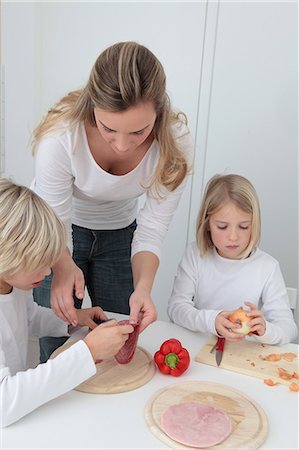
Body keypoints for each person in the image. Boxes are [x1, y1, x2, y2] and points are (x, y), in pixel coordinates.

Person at [31, 41, 194, 362]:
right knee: (56, 339)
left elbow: (152, 229)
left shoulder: (176, 143)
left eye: (138, 132)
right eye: (108, 129)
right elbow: (57, 218)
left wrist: (144, 288)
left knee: (121, 337)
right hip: (53, 234)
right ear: (92, 106)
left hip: (121, 232)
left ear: (158, 112)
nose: (122, 145)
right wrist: (63, 265)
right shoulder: (61, 136)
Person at [0, 178, 134, 427]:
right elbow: (4, 402)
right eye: (39, 262)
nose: (48, 271)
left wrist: (74, 321)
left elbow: (29, 318)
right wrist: (89, 351)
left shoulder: (11, 284)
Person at [167, 174, 297, 345]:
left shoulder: (267, 267)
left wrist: (265, 330)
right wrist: (211, 320)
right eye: (222, 226)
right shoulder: (195, 255)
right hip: (200, 349)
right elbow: (176, 308)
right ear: (207, 224)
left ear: (254, 224)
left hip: (245, 356)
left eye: (244, 226)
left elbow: (289, 328)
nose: (233, 236)